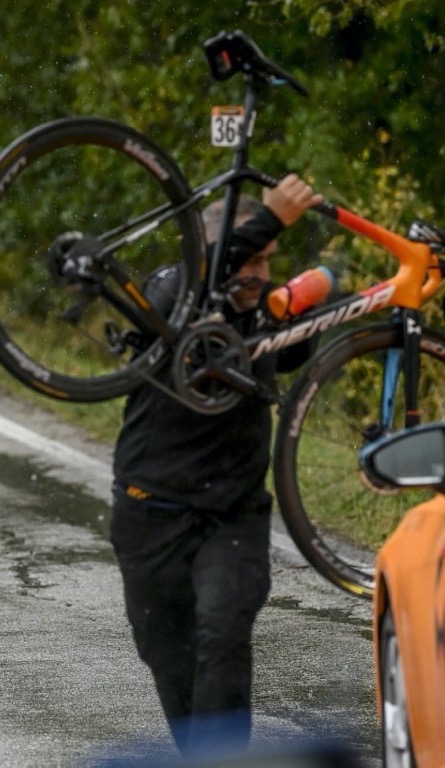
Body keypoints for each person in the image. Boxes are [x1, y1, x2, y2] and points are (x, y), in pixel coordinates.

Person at [109, 174, 323, 755]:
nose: (258, 273)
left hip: (234, 516)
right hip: (149, 513)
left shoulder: (268, 313)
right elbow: (201, 278)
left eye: (269, 261)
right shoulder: (171, 294)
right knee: (167, 654)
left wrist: (332, 282)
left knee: (223, 635)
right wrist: (272, 216)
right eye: (248, 258)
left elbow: (322, 318)